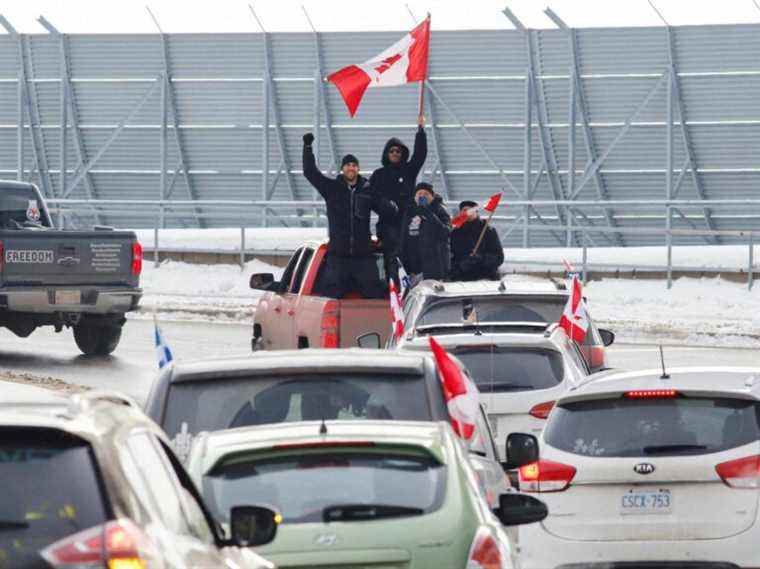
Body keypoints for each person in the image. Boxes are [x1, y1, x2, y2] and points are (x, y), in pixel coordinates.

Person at [302, 132, 397, 299]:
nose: (351, 168)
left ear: (358, 169)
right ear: (342, 169)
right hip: (338, 256)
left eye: (354, 165)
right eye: (347, 165)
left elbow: (388, 211)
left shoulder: (368, 191)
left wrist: (388, 231)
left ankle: (375, 325)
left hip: (364, 257)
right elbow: (310, 172)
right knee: (331, 297)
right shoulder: (332, 188)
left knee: (375, 296)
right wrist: (307, 147)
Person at [369, 117, 428, 275]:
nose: (395, 153)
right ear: (386, 154)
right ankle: (394, 292)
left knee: (411, 259)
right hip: (388, 226)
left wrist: (421, 131)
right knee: (393, 261)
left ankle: (410, 294)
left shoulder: (409, 170)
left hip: (407, 223)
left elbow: (420, 155)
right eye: (392, 151)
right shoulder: (378, 174)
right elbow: (369, 197)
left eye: (398, 151)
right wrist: (384, 206)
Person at [399, 182, 451, 282]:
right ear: (415, 197)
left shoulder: (440, 211)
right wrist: (404, 263)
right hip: (414, 267)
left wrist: (429, 213)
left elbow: (445, 232)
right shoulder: (409, 212)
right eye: (419, 193)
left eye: (426, 194)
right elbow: (403, 238)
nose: (422, 196)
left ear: (432, 196)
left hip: (435, 268)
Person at [450, 200, 504, 281]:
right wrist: (461, 265)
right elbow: (449, 257)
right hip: (463, 279)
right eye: (464, 210)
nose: (467, 213)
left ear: (476, 212)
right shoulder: (455, 233)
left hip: (486, 278)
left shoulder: (488, 231)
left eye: (470, 210)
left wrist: (481, 258)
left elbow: (499, 257)